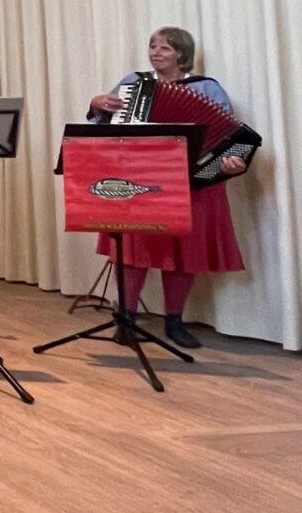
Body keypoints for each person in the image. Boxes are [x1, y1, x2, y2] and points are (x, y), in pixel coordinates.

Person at [87, 26, 250, 348]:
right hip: (139, 177)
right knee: (133, 250)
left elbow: (228, 137)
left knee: (183, 252)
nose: (155, 53)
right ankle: (126, 319)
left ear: (181, 54)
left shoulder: (207, 88)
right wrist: (95, 104)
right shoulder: (133, 84)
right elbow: (101, 127)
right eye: (152, 46)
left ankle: (175, 321)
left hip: (191, 181)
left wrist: (233, 162)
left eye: (165, 48)